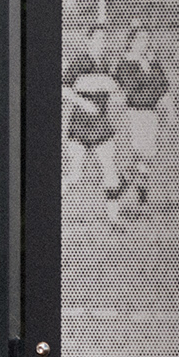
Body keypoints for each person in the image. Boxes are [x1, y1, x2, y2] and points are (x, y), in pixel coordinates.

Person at [61, 25, 127, 225]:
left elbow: (115, 89)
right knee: (75, 174)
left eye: (104, 39)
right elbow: (64, 88)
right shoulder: (80, 61)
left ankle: (114, 218)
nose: (101, 43)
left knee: (110, 169)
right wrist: (84, 103)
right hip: (80, 124)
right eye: (97, 39)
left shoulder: (107, 64)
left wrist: (118, 97)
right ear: (89, 41)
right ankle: (50, 203)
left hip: (101, 124)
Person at [116, 22, 172, 208]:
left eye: (146, 39)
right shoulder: (126, 63)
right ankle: (135, 183)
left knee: (148, 153)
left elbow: (163, 86)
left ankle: (133, 180)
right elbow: (132, 92)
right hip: (135, 113)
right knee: (142, 150)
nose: (144, 42)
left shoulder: (150, 61)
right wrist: (152, 87)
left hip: (152, 114)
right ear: (131, 41)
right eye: (140, 39)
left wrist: (169, 108)